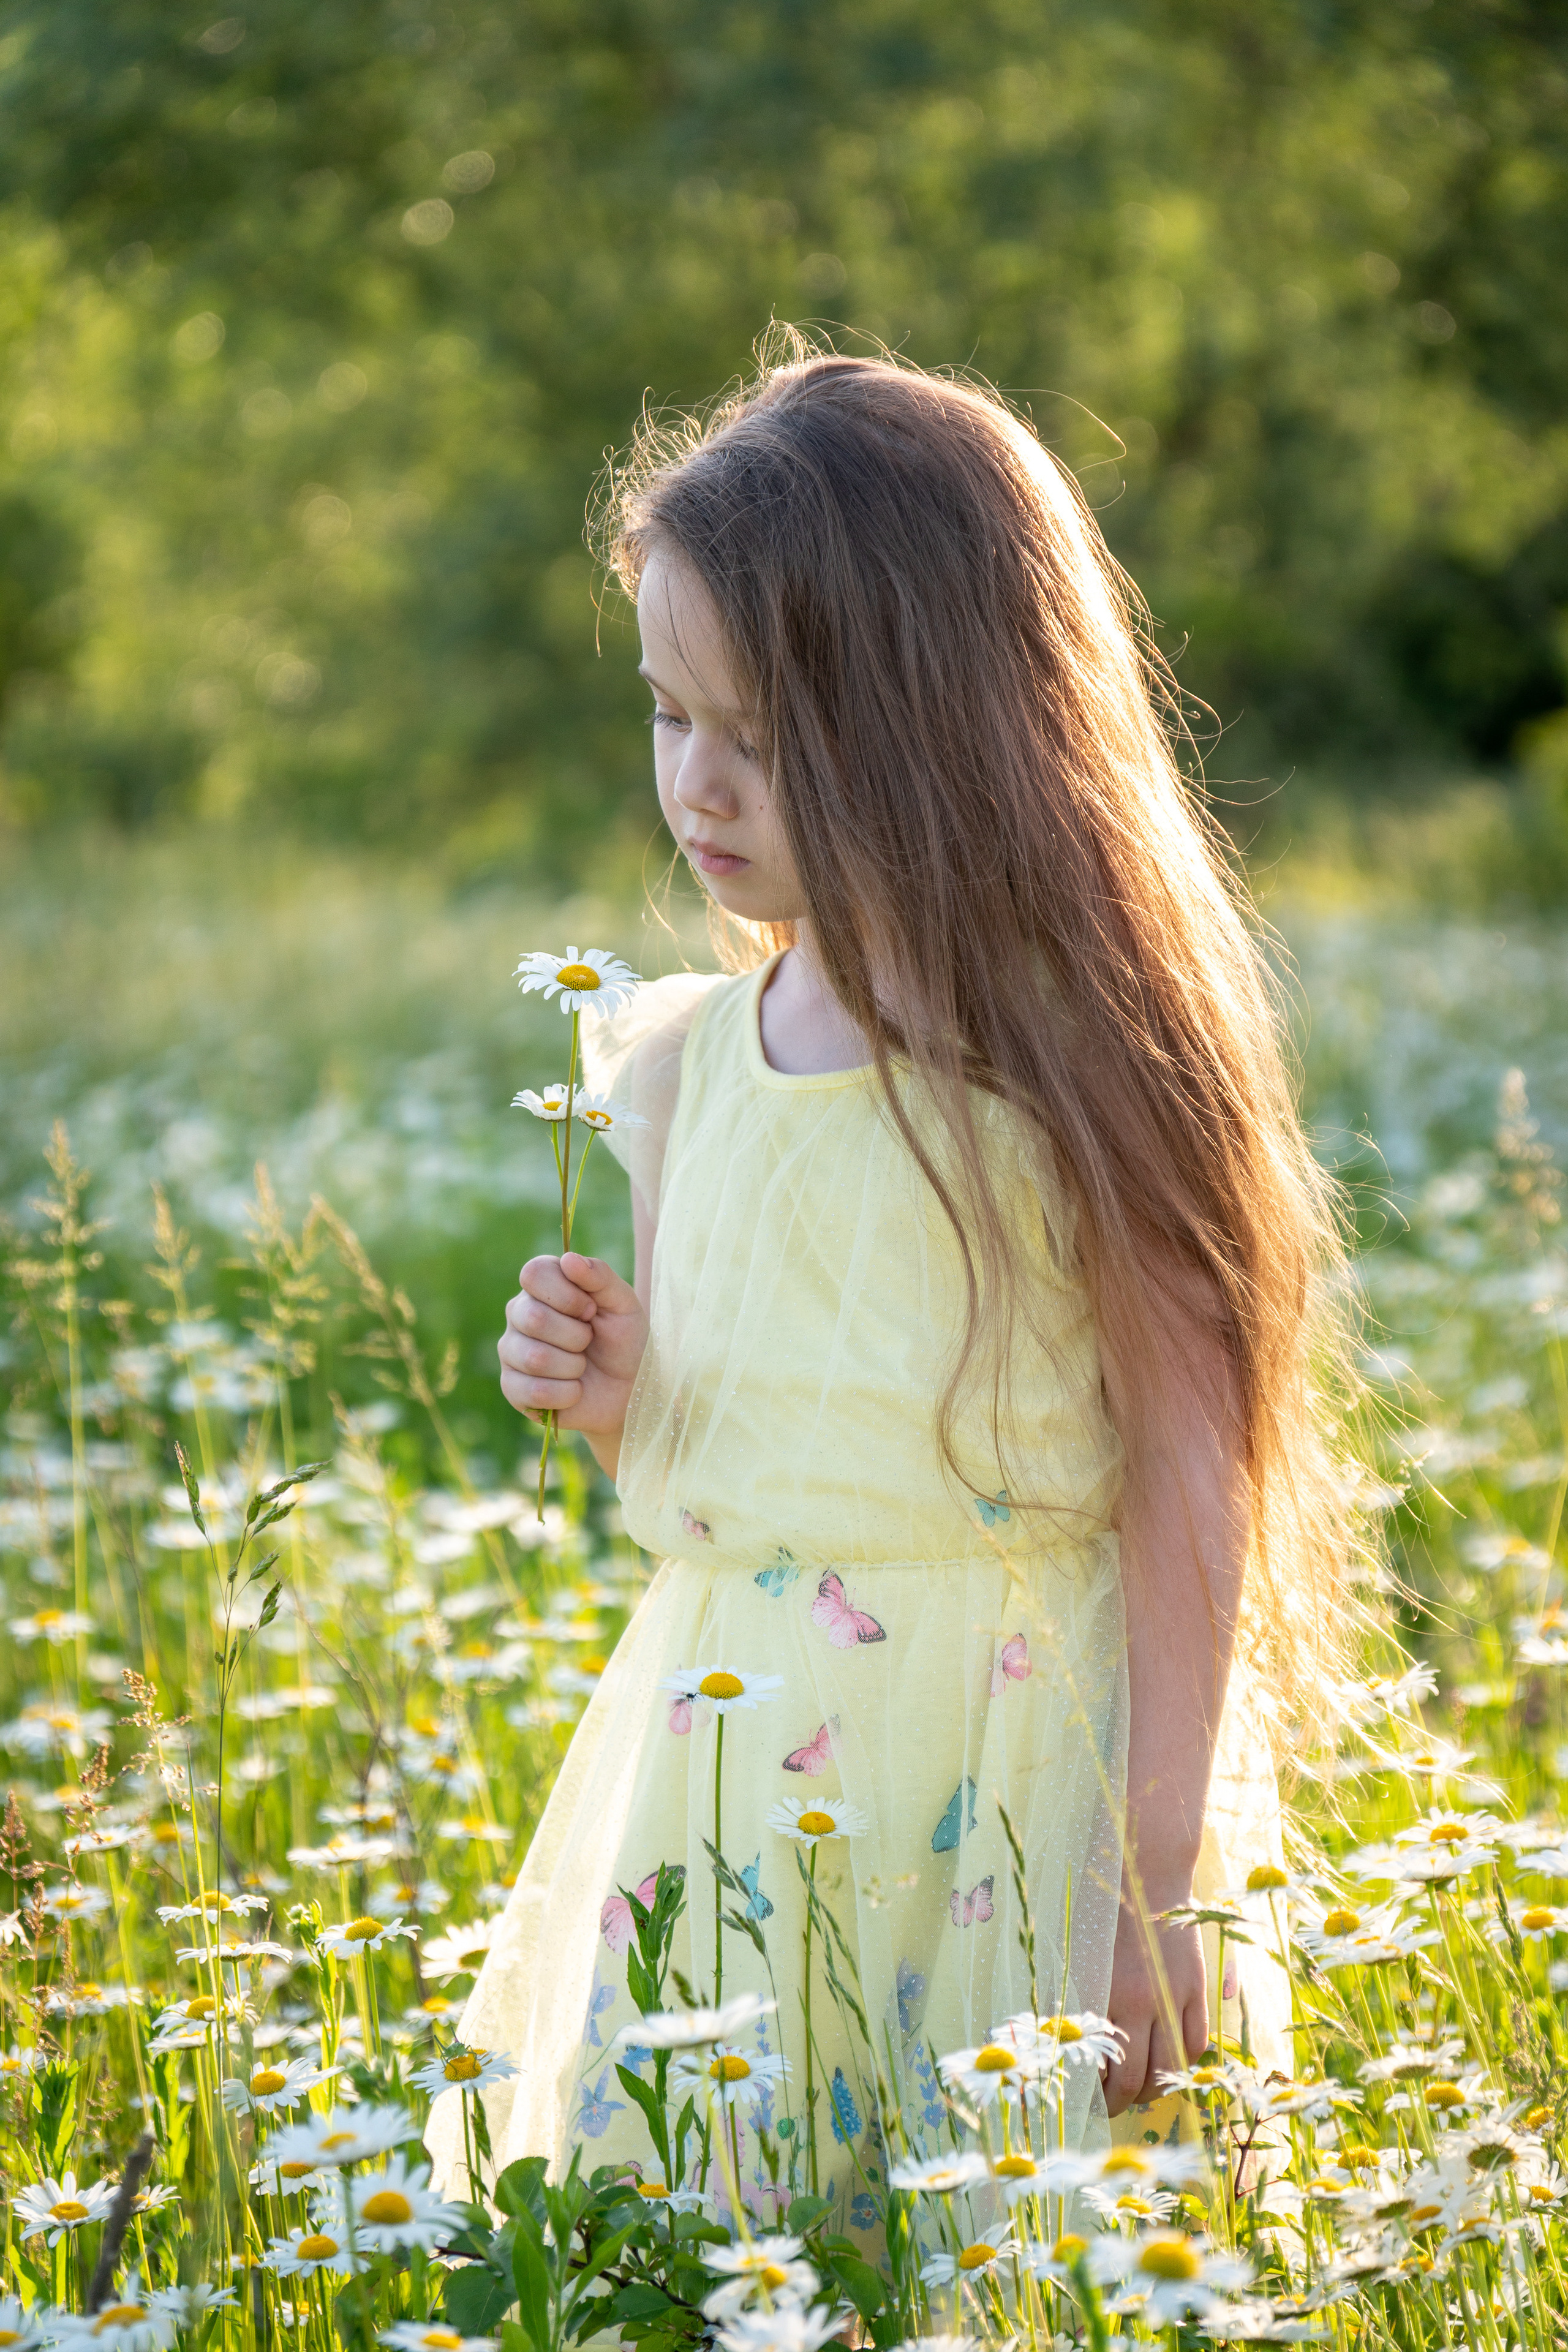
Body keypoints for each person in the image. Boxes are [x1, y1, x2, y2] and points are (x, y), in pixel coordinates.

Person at [430, 342, 1357, 2228]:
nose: (698, 783)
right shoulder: (692, 1058)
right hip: (740, 1756)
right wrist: (617, 1392)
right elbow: (739, 1452)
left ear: (945, 719)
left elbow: (1196, 1463)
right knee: (722, 2240)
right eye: (667, 714)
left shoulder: (1074, 1043)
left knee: (1003, 2252)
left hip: (1028, 1765)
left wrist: (1158, 1881)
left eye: (758, 736)